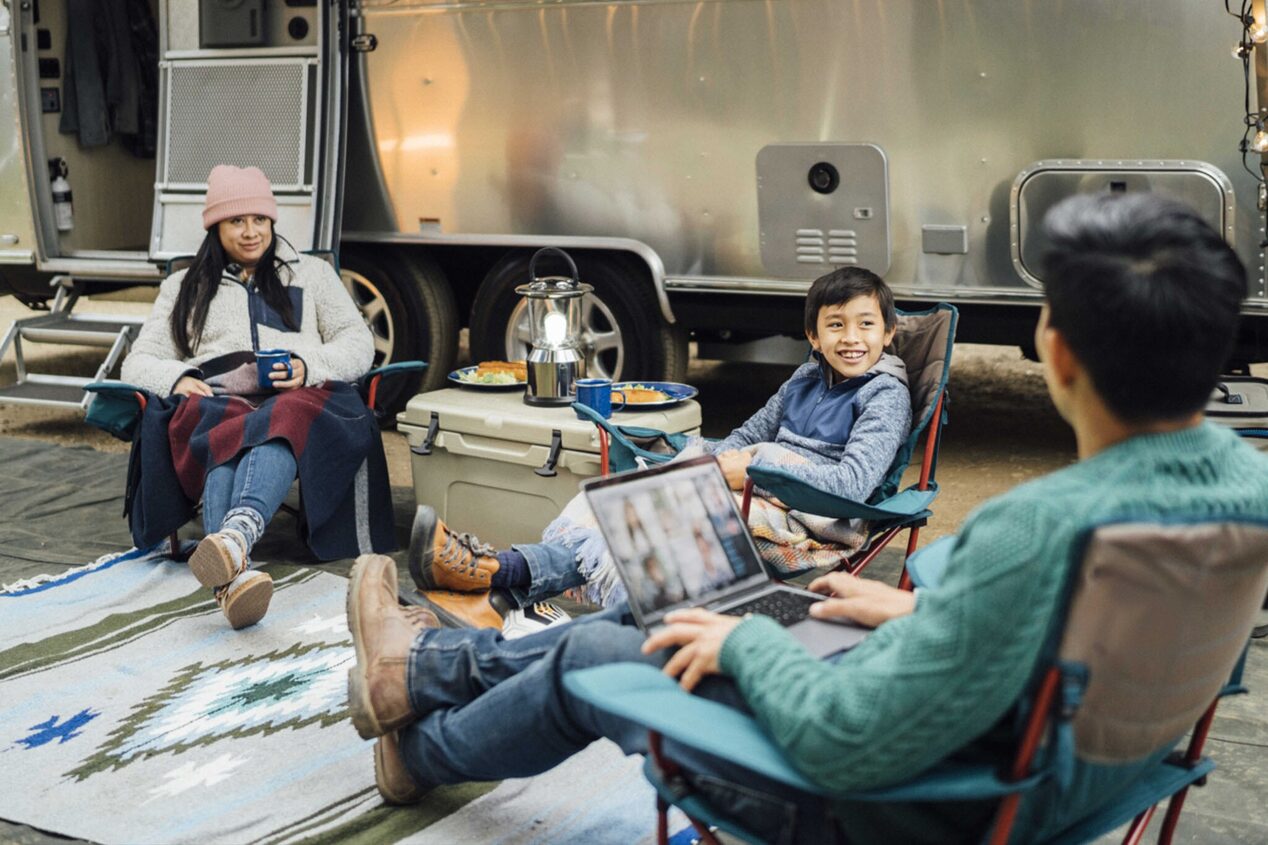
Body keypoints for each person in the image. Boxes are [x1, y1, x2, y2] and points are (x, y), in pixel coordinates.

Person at [345, 192, 1268, 839]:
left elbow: (848, 741)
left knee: (612, 648)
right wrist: (925, 612)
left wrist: (749, 649)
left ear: (1055, 351)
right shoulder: (1245, 495)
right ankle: (419, 670)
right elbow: (1093, 643)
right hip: (1061, 783)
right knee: (669, 613)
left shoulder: (1036, 530)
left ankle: (419, 734)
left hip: (916, 805)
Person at [408, 267, 913, 612]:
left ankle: (496, 574)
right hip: (759, 491)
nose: (852, 338)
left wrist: (760, 467)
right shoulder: (804, 380)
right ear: (813, 336)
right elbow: (744, 437)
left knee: (650, 516)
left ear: (888, 333)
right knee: (628, 494)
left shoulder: (884, 396)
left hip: (813, 518)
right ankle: (501, 580)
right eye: (836, 325)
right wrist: (699, 463)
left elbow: (851, 484)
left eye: (866, 325)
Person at [121, 164, 388, 630]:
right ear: (215, 227)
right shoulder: (184, 287)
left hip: (302, 397)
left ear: (272, 221)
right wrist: (179, 376)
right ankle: (234, 565)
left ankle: (233, 545)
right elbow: (138, 360)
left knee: (280, 416)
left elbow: (357, 342)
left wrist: (311, 367)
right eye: (236, 221)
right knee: (231, 426)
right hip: (219, 403)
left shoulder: (313, 274)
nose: (251, 233)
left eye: (259, 220)